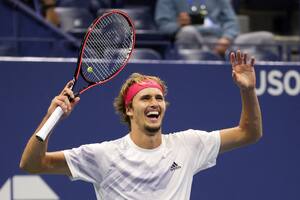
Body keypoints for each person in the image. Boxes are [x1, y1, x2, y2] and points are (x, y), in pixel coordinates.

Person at [20, 50, 262, 200]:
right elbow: (32, 164)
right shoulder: (103, 155)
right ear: (129, 109)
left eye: (158, 98)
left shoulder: (189, 144)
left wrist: (248, 91)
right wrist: (51, 118)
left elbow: (248, 133)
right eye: (145, 98)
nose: (154, 103)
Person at [154, 0, 275, 59]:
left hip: (223, 41)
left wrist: (226, 38)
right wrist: (178, 25)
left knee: (266, 38)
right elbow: (163, 26)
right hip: (196, 41)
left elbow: (232, 21)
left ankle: (259, 87)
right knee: (187, 31)